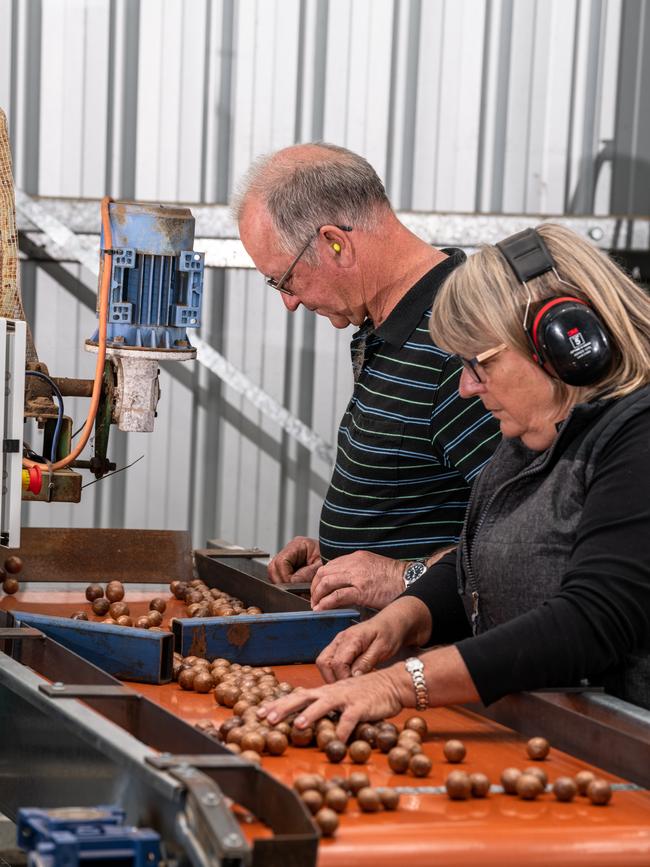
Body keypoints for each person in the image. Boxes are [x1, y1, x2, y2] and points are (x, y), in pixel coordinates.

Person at [256, 223, 650, 740]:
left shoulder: (636, 437)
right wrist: (404, 617)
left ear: (563, 339)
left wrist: (401, 684)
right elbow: (471, 568)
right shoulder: (532, 433)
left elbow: (589, 621)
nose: (466, 387)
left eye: (478, 362)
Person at [234, 143, 500, 610]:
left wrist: (406, 576)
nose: (289, 302)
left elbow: (527, 534)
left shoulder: (458, 339)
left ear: (335, 243)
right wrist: (339, 556)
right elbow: (424, 491)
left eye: (284, 280)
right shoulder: (380, 329)